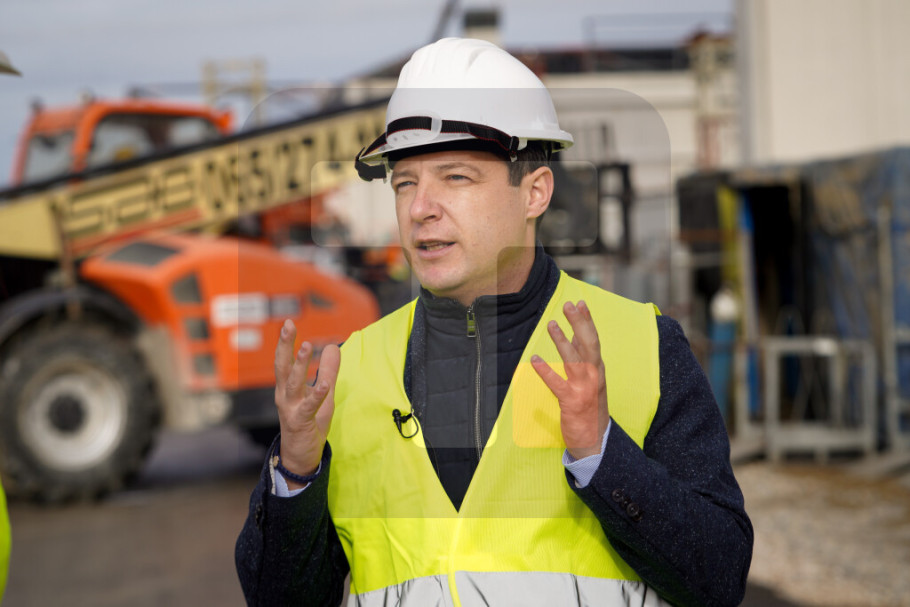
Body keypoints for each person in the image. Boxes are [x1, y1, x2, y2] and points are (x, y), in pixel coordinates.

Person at [236, 37, 752, 607]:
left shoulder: (643, 347)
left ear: (535, 193)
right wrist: (296, 474)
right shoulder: (349, 373)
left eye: (456, 177)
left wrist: (603, 456)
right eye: (405, 182)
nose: (420, 208)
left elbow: (720, 579)